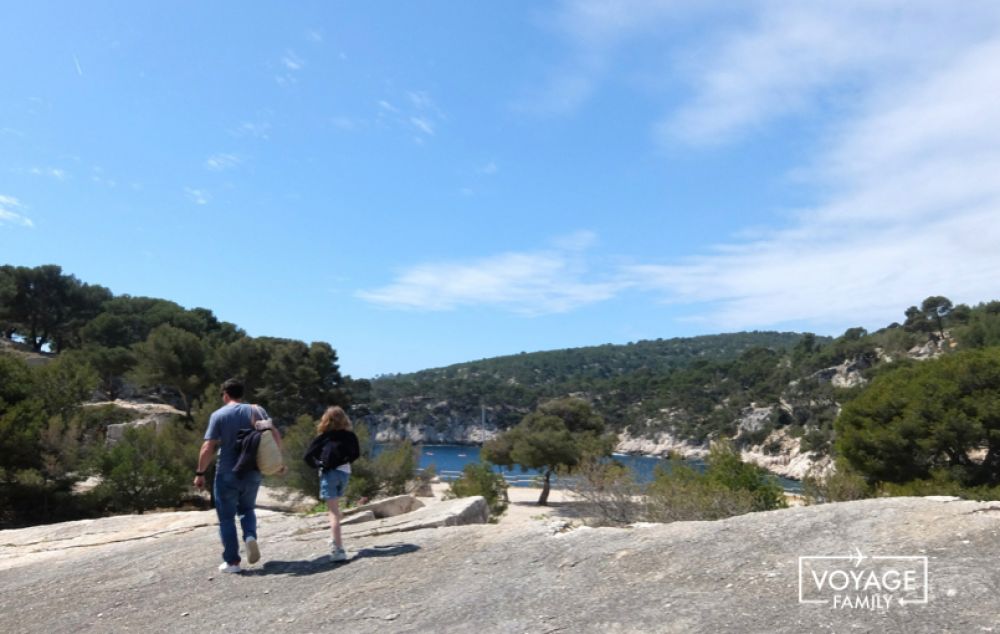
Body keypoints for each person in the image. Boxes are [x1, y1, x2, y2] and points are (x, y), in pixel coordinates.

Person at [194, 378, 283, 573]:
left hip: (227, 472)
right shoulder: (257, 410)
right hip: (252, 471)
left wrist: (200, 472)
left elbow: (208, 446)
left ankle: (232, 562)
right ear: (241, 394)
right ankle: (250, 536)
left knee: (226, 518)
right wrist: (279, 462)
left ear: (225, 394)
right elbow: (274, 435)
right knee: (247, 509)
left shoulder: (218, 415)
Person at [305, 406, 360, 562]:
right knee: (336, 508)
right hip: (344, 473)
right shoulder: (350, 436)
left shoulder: (324, 437)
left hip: (329, 475)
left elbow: (308, 456)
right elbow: (356, 454)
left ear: (326, 420)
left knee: (333, 512)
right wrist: (343, 461)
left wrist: (320, 464)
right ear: (344, 419)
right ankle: (335, 537)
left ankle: (338, 550)